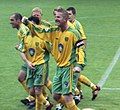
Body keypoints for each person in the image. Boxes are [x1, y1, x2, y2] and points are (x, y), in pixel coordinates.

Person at [10, 13, 53, 110]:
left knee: (39, 88)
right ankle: (44, 100)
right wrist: (26, 58)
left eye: (12, 20)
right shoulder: (25, 34)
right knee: (33, 90)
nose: (10, 22)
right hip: (29, 61)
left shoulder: (41, 36)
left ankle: (54, 100)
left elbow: (51, 49)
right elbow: (22, 48)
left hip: (40, 64)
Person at [66, 6, 100, 101]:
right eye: (67, 14)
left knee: (72, 74)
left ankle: (78, 93)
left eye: (70, 14)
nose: (68, 16)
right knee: (74, 74)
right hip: (70, 54)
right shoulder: (67, 24)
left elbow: (83, 38)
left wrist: (81, 52)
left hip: (76, 54)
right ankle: (91, 88)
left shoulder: (77, 24)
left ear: (74, 15)